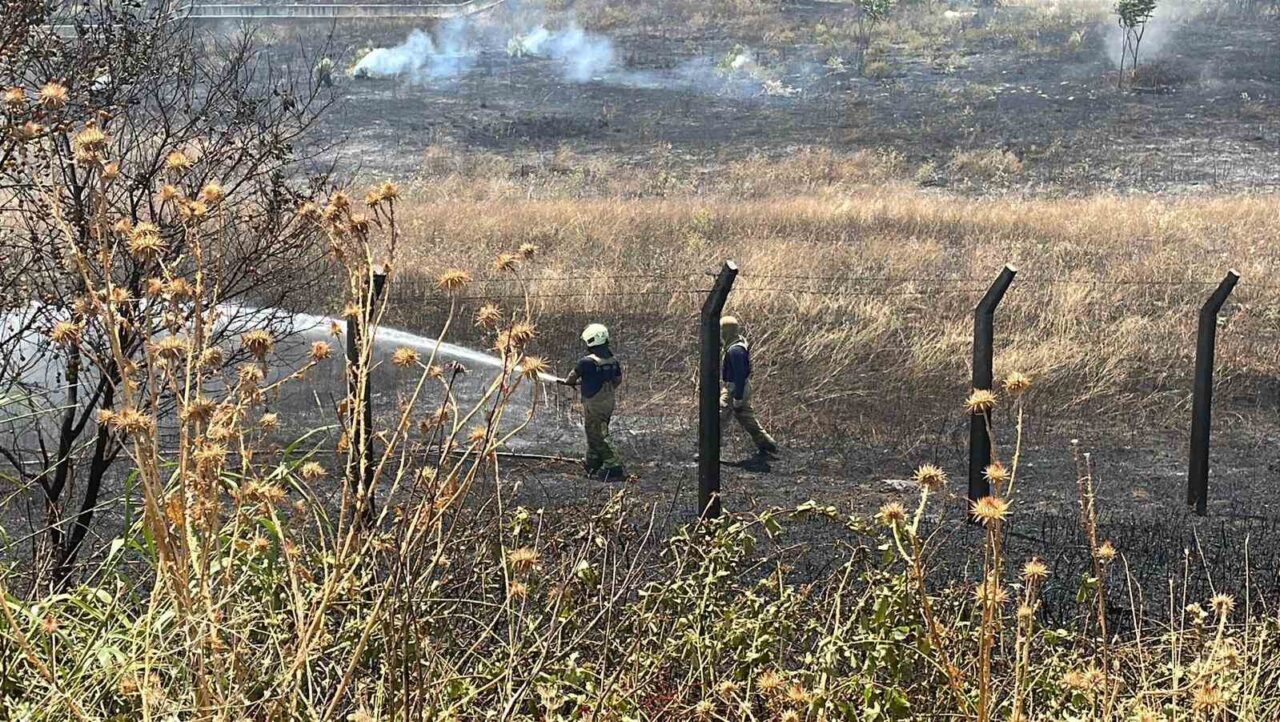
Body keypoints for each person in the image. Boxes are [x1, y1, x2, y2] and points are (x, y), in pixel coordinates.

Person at [560, 323, 625, 480]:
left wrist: (570, 382)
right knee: (594, 430)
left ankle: (613, 466)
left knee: (598, 433)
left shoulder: (586, 362)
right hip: (608, 402)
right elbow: (617, 380)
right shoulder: (612, 360)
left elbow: (571, 377)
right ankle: (593, 461)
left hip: (594, 403)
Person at [720, 315, 779, 455]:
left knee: (718, 418)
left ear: (725, 332)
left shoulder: (735, 350)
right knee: (746, 416)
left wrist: (738, 398)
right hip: (740, 386)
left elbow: (739, 375)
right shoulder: (737, 344)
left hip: (734, 388)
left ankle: (708, 450)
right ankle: (766, 442)